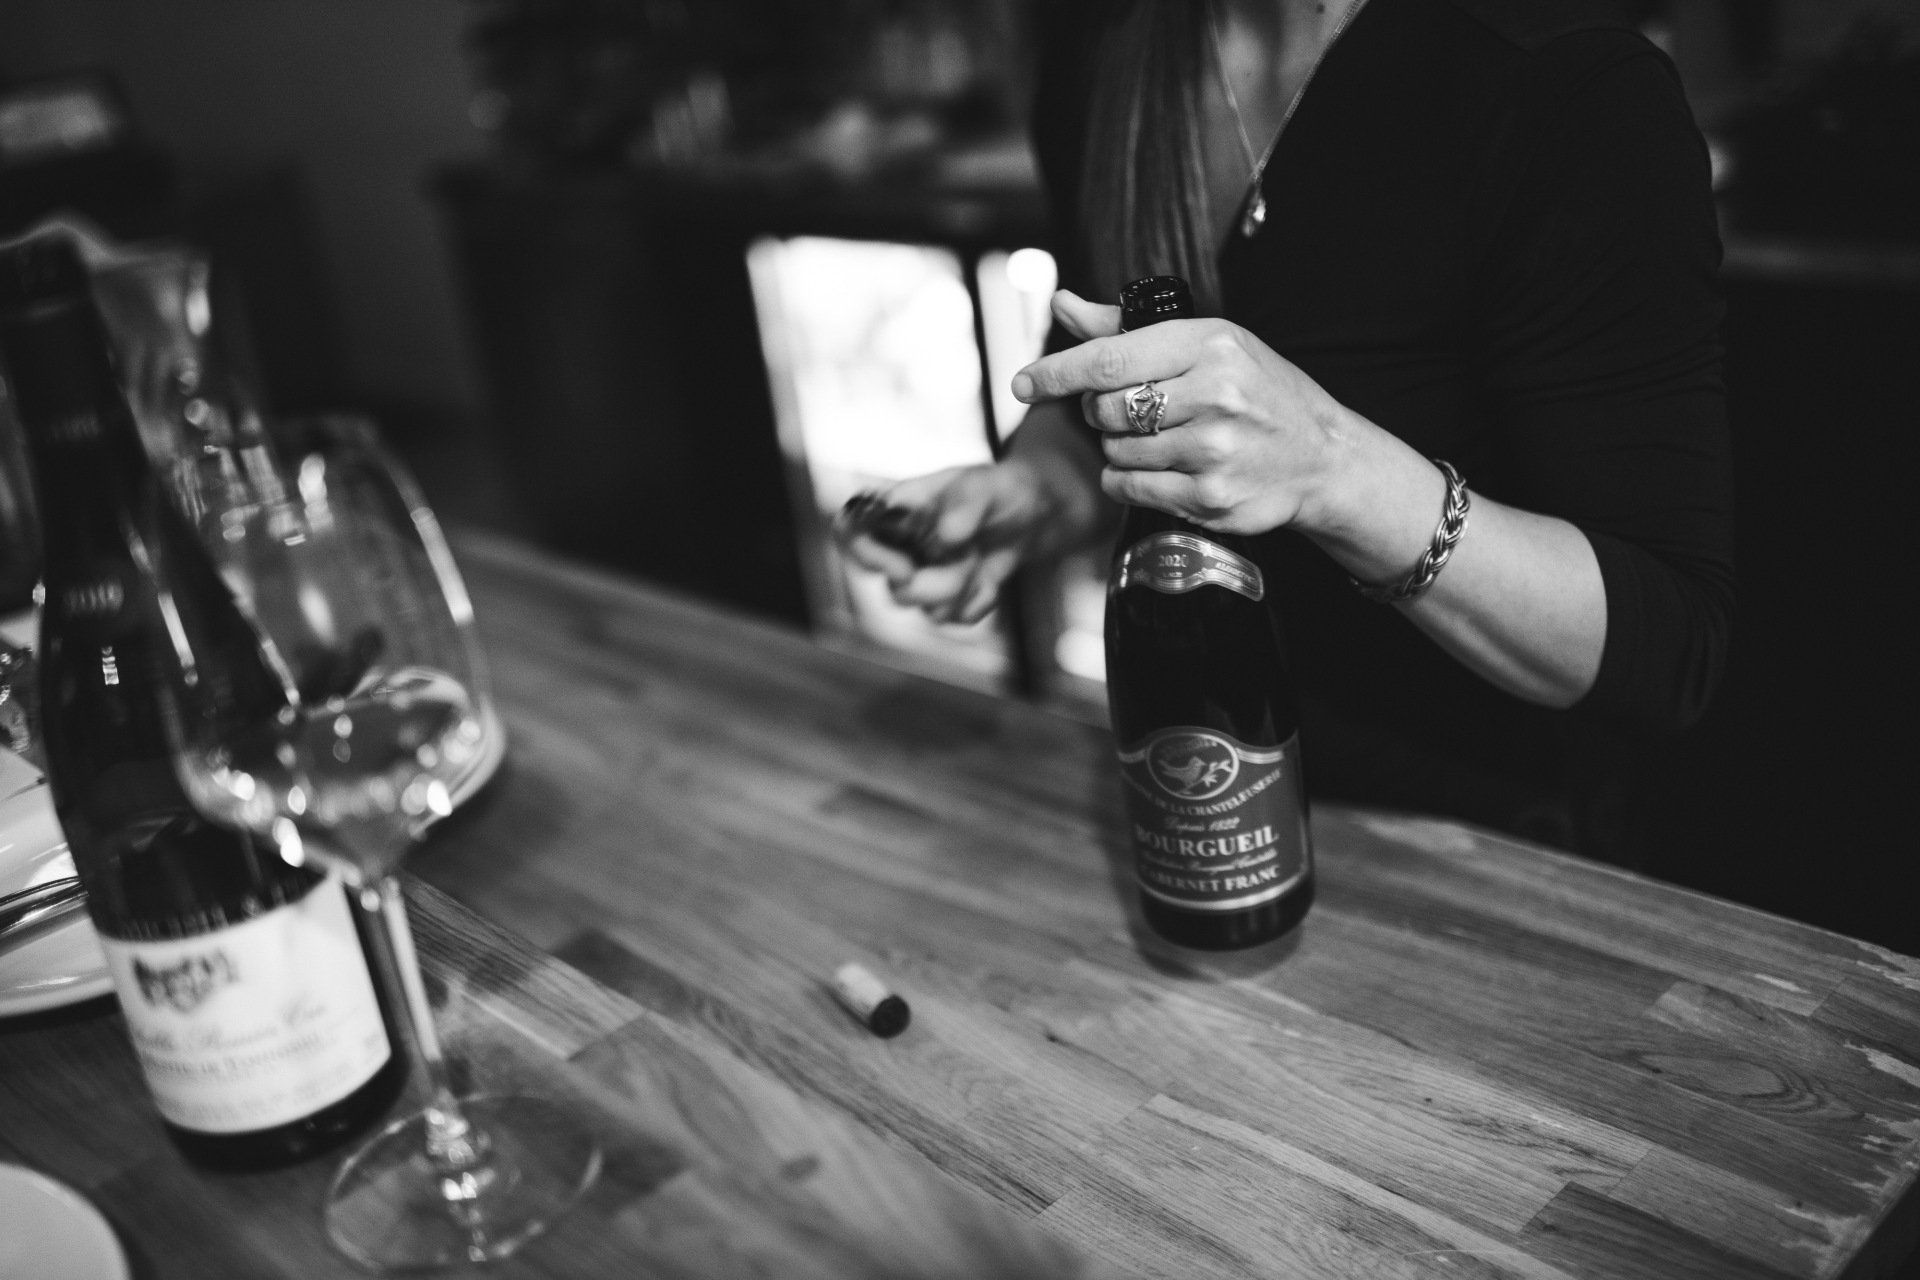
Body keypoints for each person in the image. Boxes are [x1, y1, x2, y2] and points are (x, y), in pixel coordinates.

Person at [838, 0, 1733, 868]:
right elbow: (1112, 392)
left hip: (1488, 855)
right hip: (1196, 811)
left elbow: (1664, 648)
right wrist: (1031, 494)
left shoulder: (1568, 79)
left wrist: (1331, 468)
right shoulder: (1108, 46)